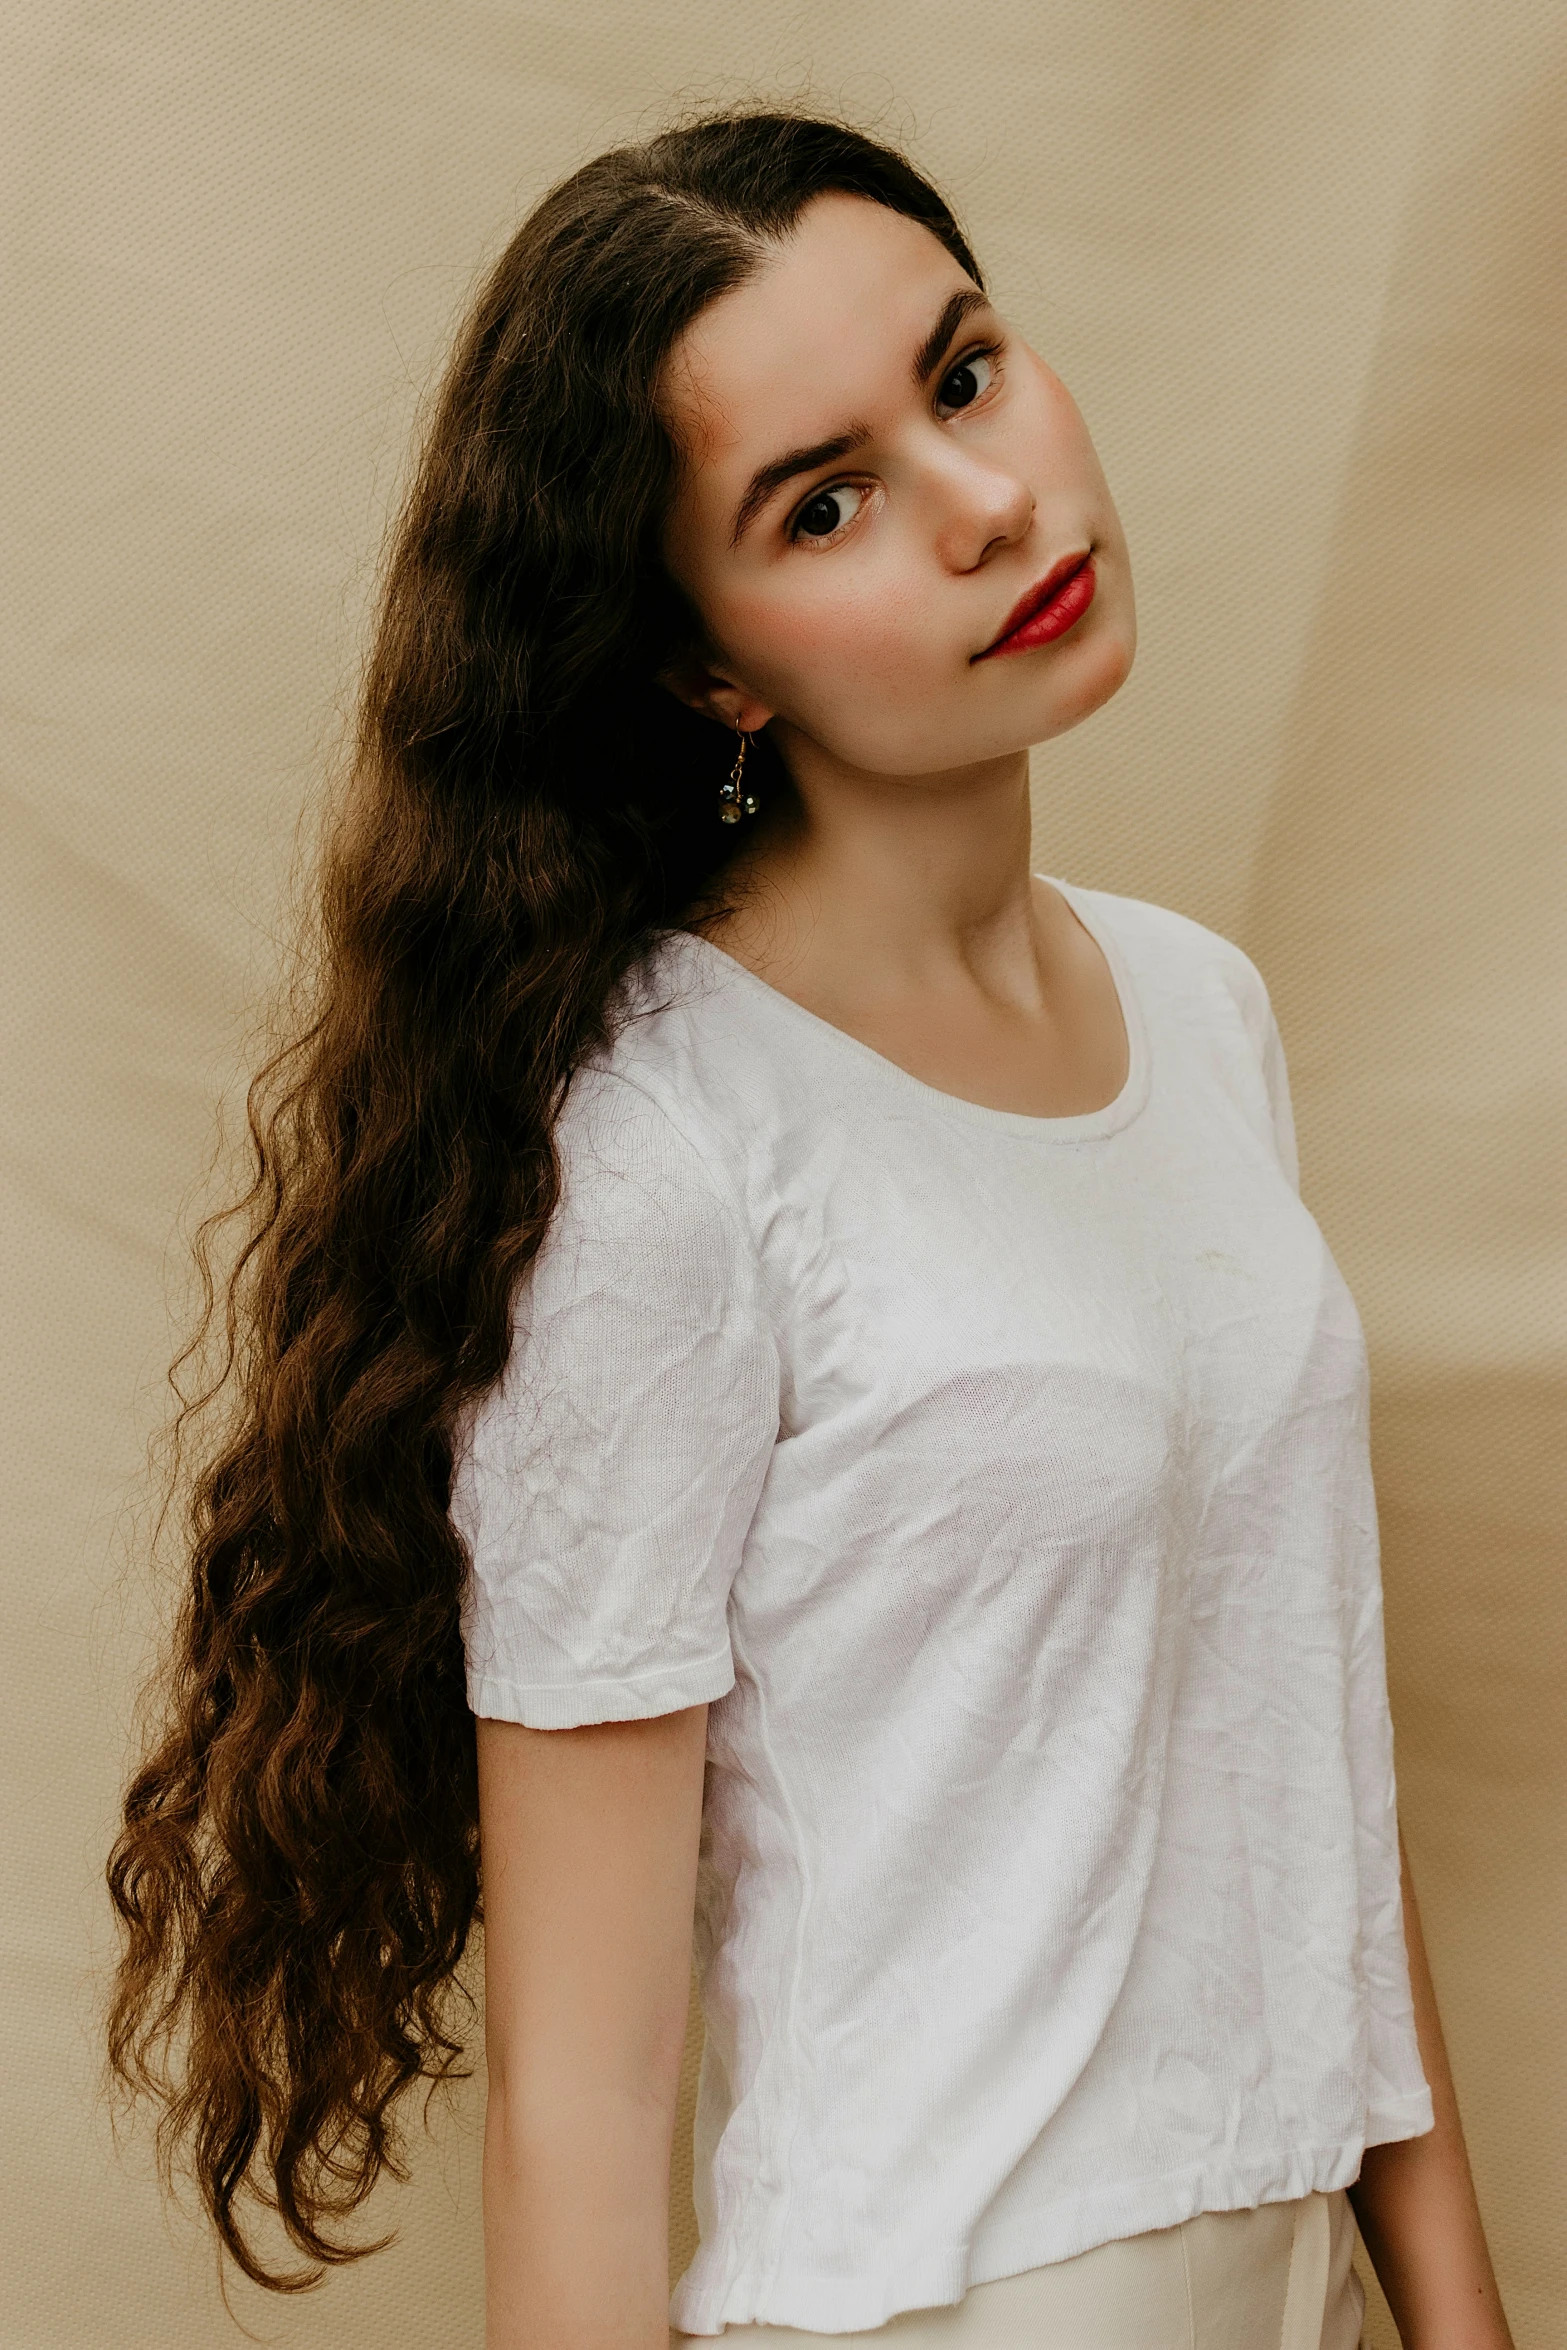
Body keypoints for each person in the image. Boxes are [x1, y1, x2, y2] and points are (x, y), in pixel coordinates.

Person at [106, 111, 1516, 2350]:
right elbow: (582, 2115)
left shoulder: (1201, 1010)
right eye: (823, 500)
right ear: (707, 670)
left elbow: (1298, 1741)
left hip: (1302, 2270)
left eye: (965, 375)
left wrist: (1457, 2308)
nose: (987, 508)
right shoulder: (663, 1158)